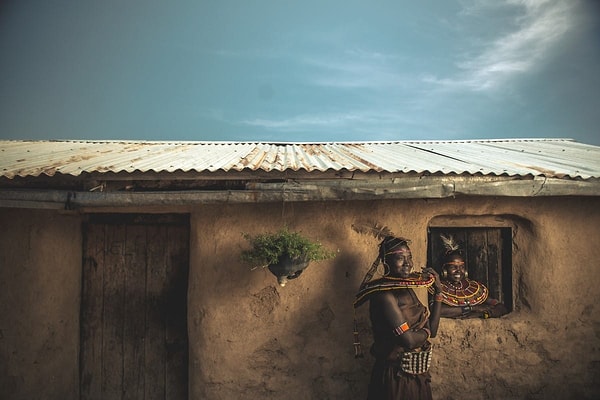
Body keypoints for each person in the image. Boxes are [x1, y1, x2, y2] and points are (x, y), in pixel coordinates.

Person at [354, 236, 443, 400]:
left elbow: (434, 330)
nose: (408, 263)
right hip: (395, 376)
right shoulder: (384, 295)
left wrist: (438, 292)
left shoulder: (407, 288)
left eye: (409, 257)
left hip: (417, 375)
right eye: (400, 258)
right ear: (386, 261)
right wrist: (425, 331)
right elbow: (408, 340)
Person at [434, 234, 508, 319]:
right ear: (445, 269)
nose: (458, 270)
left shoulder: (476, 289)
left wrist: (483, 314)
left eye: (461, 267)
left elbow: (501, 308)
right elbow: (438, 310)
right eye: (453, 267)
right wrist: (472, 308)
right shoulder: (438, 287)